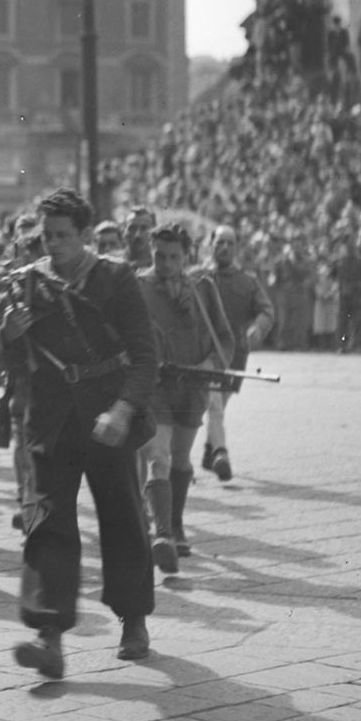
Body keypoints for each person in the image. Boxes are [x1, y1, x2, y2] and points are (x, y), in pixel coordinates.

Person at [0, 187, 158, 680]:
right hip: (50, 418)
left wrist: (124, 410)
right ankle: (49, 637)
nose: (54, 245)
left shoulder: (115, 278)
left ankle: (133, 621)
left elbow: (146, 355)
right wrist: (8, 334)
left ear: (87, 235)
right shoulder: (26, 283)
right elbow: (6, 360)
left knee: (123, 517)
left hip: (107, 415)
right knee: (47, 523)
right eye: (47, 236)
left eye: (64, 236)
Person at [135, 224, 234, 570]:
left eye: (174, 257)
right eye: (159, 256)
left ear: (187, 256)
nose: (165, 264)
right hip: (156, 387)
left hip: (192, 387)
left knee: (180, 458)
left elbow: (224, 337)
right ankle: (161, 533)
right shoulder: (138, 286)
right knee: (157, 458)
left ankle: (176, 525)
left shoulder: (203, 288)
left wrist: (209, 362)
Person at [203, 225, 272, 482]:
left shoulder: (248, 281)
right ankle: (221, 453)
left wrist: (258, 328)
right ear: (211, 244)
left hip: (235, 356)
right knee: (214, 404)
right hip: (205, 354)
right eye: (220, 242)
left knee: (219, 403)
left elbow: (266, 310)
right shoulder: (198, 277)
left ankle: (210, 451)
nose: (224, 248)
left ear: (237, 248)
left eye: (230, 243)